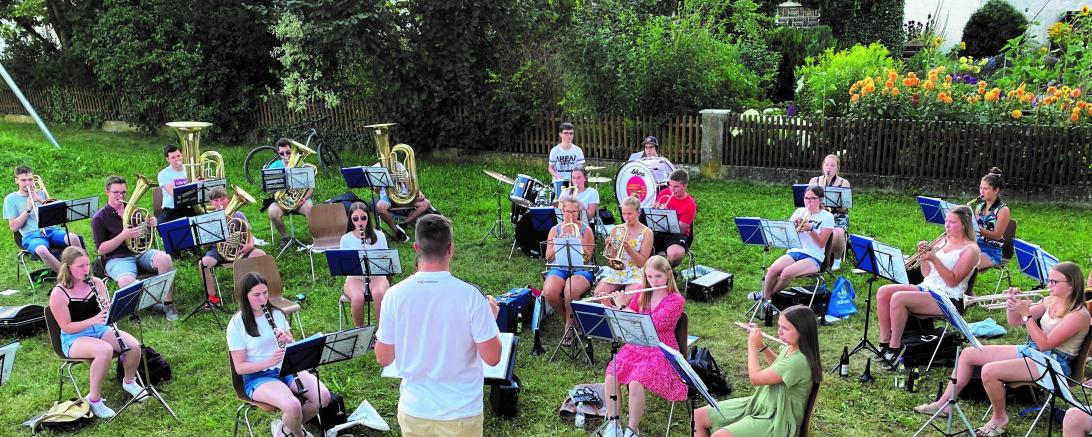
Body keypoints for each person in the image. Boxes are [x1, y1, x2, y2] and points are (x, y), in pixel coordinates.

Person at [914, 262, 1089, 437]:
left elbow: (1045, 343)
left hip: (1054, 364)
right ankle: (944, 405)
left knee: (990, 371)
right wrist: (1012, 305)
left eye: (1054, 282)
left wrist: (1026, 314)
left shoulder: (1079, 315)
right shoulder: (1051, 300)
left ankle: (999, 419)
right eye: (1049, 280)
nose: (1049, 285)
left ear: (1071, 284)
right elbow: (1015, 322)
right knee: (968, 354)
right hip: (1034, 351)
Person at [375, 214, 501, 437]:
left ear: (416, 248)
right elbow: (492, 358)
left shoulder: (394, 295)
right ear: (451, 249)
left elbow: (383, 358)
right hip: (461, 412)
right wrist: (490, 319)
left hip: (415, 410)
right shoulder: (472, 296)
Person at [228, 272, 331, 437]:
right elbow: (240, 368)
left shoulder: (276, 314)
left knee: (323, 397)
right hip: (257, 377)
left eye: (265, 293)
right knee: (293, 406)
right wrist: (269, 361)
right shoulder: (237, 323)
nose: (263, 299)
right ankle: (299, 434)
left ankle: (285, 429)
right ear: (245, 296)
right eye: (256, 295)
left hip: (287, 367)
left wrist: (289, 341)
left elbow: (293, 346)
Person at [48, 246, 146, 419]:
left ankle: (129, 382)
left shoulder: (96, 282)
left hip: (100, 329)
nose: (86, 269)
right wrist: (93, 320)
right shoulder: (59, 293)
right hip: (74, 338)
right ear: (67, 267)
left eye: (87, 265)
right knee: (104, 350)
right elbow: (66, 326)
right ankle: (94, 400)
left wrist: (109, 308)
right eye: (80, 266)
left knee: (133, 346)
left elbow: (105, 314)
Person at [694, 305, 822, 437]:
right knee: (698, 416)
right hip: (763, 404)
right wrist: (761, 345)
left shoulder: (799, 361)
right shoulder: (792, 347)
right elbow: (779, 368)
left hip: (778, 419)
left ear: (802, 331)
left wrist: (752, 346)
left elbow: (755, 378)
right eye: (779, 326)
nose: (779, 332)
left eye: (785, 328)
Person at [873, 206, 980, 362]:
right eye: (946, 221)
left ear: (964, 224)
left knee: (898, 298)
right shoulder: (942, 241)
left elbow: (952, 281)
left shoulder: (971, 249)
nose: (947, 225)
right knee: (883, 292)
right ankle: (884, 342)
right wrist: (923, 256)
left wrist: (934, 259)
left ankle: (895, 347)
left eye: (952, 222)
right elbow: (926, 274)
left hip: (949, 298)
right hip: (927, 288)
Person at [600, 255, 687, 437]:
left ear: (668, 274)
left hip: (661, 348)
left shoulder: (676, 300)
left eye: (658, 276)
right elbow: (627, 319)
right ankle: (614, 424)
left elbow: (652, 324)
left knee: (636, 381)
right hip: (637, 344)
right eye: (649, 276)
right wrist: (610, 305)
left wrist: (623, 307)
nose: (653, 281)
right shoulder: (641, 291)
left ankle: (633, 429)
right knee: (611, 375)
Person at [92, 176, 177, 320]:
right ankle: (148, 304)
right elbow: (101, 249)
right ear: (107, 192)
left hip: (140, 252)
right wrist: (122, 236)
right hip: (117, 258)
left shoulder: (133, 211)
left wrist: (149, 226)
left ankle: (167, 304)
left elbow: (144, 238)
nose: (121, 196)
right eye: (116, 192)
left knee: (165, 259)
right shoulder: (100, 217)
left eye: (124, 192)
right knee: (126, 281)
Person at [753, 185, 833, 301]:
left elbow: (821, 243)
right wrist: (792, 227)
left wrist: (810, 229)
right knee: (773, 270)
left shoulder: (827, 217)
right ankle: (766, 298)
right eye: (806, 198)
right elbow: (788, 238)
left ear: (820, 200)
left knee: (786, 273)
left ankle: (765, 297)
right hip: (795, 251)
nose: (809, 202)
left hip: (814, 256)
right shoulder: (799, 211)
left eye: (813, 198)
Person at [4, 166, 83, 273]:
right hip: (31, 236)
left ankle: (84, 270)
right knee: (41, 250)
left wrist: (39, 199)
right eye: (23, 180)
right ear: (16, 181)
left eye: (30, 179)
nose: (28, 183)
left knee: (73, 237)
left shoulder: (40, 193)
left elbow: (55, 214)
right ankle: (65, 276)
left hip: (52, 231)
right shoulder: (10, 199)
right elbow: (14, 227)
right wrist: (28, 208)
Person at [542, 196, 596, 346]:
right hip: (560, 266)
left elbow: (587, 258)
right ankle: (573, 321)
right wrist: (559, 241)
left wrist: (580, 242)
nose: (570, 215)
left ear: (579, 212)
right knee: (549, 292)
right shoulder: (555, 230)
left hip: (581, 268)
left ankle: (569, 327)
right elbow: (548, 257)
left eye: (574, 212)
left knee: (570, 291)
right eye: (567, 212)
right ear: (562, 211)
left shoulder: (586, 230)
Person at [199, 186, 266, 307]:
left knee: (261, 255)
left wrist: (250, 245)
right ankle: (213, 299)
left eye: (222, 199)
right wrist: (215, 235)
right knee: (203, 264)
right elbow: (205, 245)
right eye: (216, 200)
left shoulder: (239, 214)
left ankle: (263, 291)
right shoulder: (209, 218)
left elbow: (249, 234)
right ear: (211, 203)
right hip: (218, 251)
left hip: (241, 249)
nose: (220, 203)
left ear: (228, 199)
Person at [595, 196, 654, 308]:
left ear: (638, 213)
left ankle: (617, 312)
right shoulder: (617, 229)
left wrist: (628, 249)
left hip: (636, 270)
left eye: (630, 214)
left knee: (625, 301)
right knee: (598, 295)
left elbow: (642, 263)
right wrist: (609, 247)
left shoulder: (647, 232)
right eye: (624, 213)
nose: (626, 217)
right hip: (618, 269)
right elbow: (612, 257)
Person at [340, 202, 390, 327]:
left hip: (377, 275)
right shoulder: (346, 239)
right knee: (357, 298)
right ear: (351, 220)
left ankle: (382, 332)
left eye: (363, 218)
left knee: (378, 293)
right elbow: (344, 266)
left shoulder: (379, 236)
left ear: (368, 217)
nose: (360, 222)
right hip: (355, 277)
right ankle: (360, 332)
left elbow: (386, 261)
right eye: (355, 219)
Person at [267, 139, 315, 250]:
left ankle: (316, 238)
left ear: (292, 151)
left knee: (309, 208)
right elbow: (270, 190)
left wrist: (304, 198)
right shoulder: (274, 167)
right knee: (273, 212)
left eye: (288, 152)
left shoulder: (302, 166)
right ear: (278, 153)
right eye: (282, 153)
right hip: (281, 201)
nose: (285, 156)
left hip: (300, 200)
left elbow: (311, 188)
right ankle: (285, 238)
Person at [807, 154, 851, 267]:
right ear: (823, 166)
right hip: (818, 213)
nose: (829, 168)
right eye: (827, 165)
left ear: (837, 168)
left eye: (832, 165)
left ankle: (836, 259)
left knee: (838, 233)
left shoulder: (844, 183)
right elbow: (807, 202)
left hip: (837, 215)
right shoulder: (814, 181)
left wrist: (831, 201)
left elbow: (844, 208)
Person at [651, 169, 697, 267]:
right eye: (670, 185)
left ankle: (664, 271)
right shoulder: (664, 193)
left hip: (677, 235)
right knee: (639, 244)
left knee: (675, 254)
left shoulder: (690, 204)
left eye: (676, 186)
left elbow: (680, 230)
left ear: (685, 186)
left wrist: (668, 215)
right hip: (659, 230)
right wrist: (655, 211)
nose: (672, 189)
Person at [975, 167, 1011, 270]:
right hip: (975, 245)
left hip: (991, 251)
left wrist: (976, 229)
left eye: (985, 189)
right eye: (981, 188)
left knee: (968, 266)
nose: (981, 192)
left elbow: (997, 236)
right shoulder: (979, 207)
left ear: (996, 190)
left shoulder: (1003, 210)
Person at [156, 144, 196, 224]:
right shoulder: (163, 174)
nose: (177, 159)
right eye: (173, 157)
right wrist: (194, 184)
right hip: (171, 209)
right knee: (161, 225)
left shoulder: (191, 170)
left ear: (182, 155)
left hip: (189, 208)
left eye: (178, 156)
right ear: (167, 159)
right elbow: (175, 195)